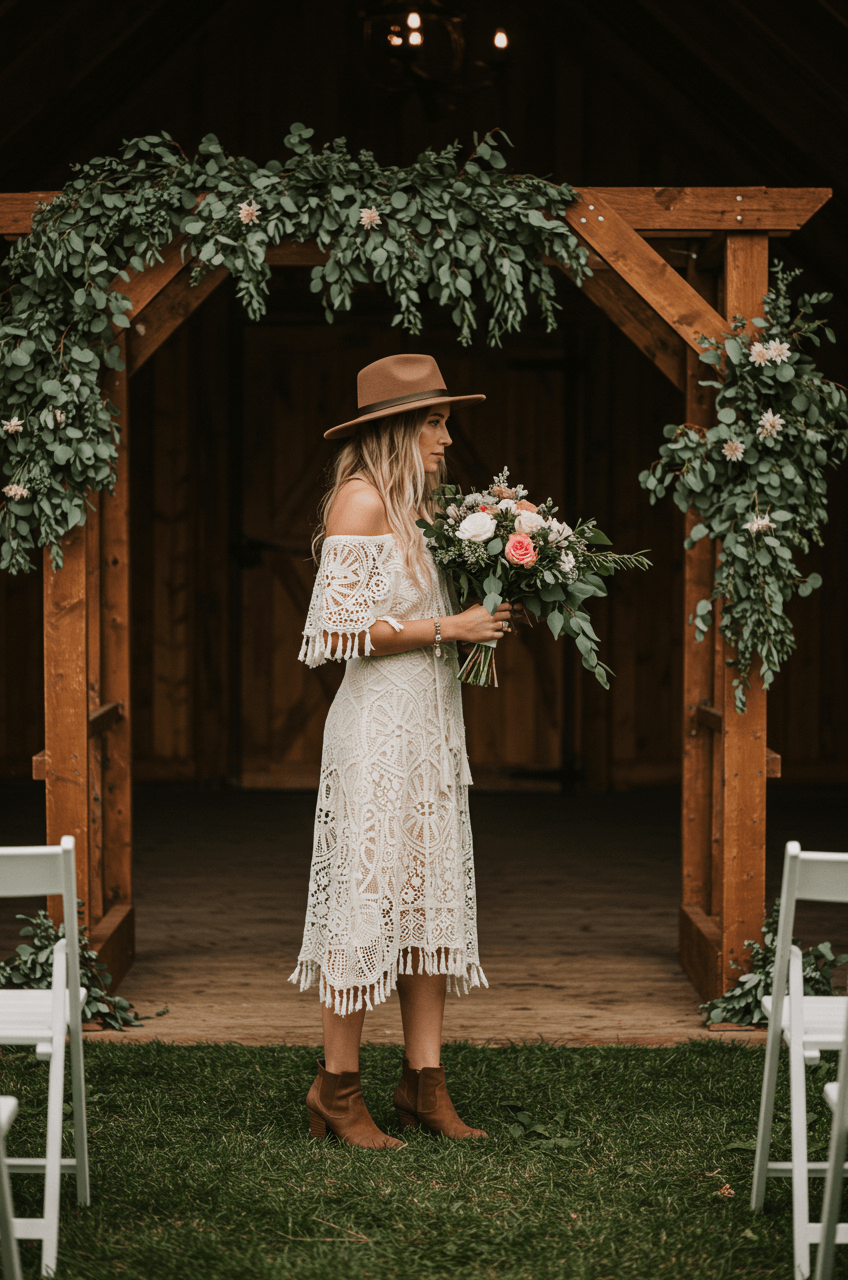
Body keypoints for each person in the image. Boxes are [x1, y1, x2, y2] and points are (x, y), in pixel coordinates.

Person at [290, 353, 512, 1150]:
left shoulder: (422, 509)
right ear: (395, 428)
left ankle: (424, 1084)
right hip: (376, 734)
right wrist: (447, 628)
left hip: (428, 730)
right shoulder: (360, 502)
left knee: (426, 901)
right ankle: (337, 1089)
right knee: (368, 898)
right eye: (435, 421)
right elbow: (334, 632)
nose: (448, 437)